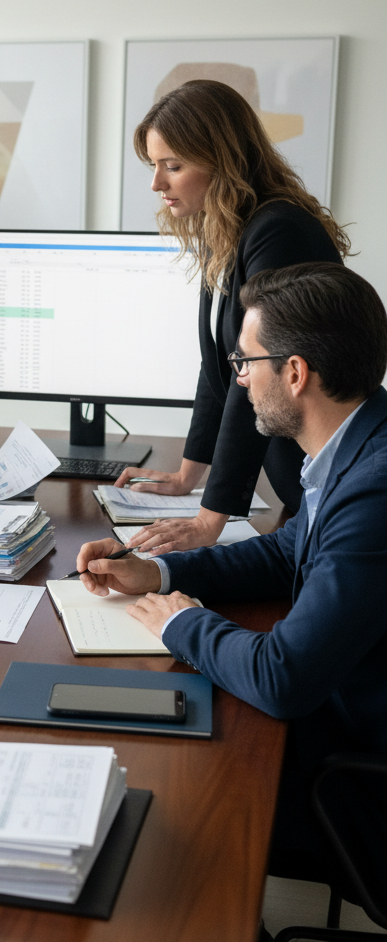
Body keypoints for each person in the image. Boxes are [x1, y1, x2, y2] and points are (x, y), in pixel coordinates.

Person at [76, 262, 387, 890]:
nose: (237, 377)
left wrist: (184, 623)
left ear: (294, 373)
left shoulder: (375, 488)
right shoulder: (357, 444)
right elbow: (283, 554)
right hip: (342, 729)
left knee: (164, 800)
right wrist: (156, 572)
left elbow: (285, 678)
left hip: (361, 785)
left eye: (245, 361)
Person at [115, 79, 351, 555]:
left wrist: (210, 517)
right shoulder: (230, 230)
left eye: (172, 166)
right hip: (294, 479)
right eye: (154, 166)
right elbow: (220, 365)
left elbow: (256, 370)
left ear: (220, 162)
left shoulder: (277, 231)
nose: (157, 183)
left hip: (331, 478)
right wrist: (188, 474)